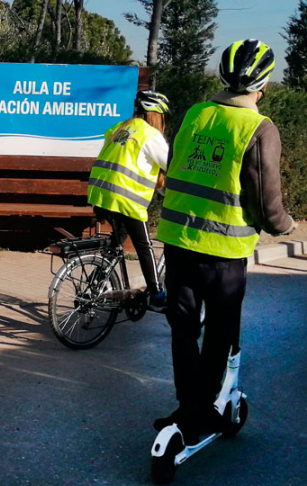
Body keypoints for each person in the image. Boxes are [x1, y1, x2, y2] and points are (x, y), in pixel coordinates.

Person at [153, 39, 297, 441]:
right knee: (219, 332)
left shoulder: (197, 113)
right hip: (223, 252)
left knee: (183, 329)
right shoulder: (259, 128)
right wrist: (285, 226)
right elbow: (267, 202)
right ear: (264, 85)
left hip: (178, 241)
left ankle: (186, 407)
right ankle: (201, 413)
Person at [87, 89, 172, 309]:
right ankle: (156, 295)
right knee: (145, 247)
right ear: (156, 114)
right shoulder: (150, 135)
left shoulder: (119, 128)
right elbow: (172, 166)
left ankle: (94, 287)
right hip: (126, 200)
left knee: (116, 244)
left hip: (101, 195)